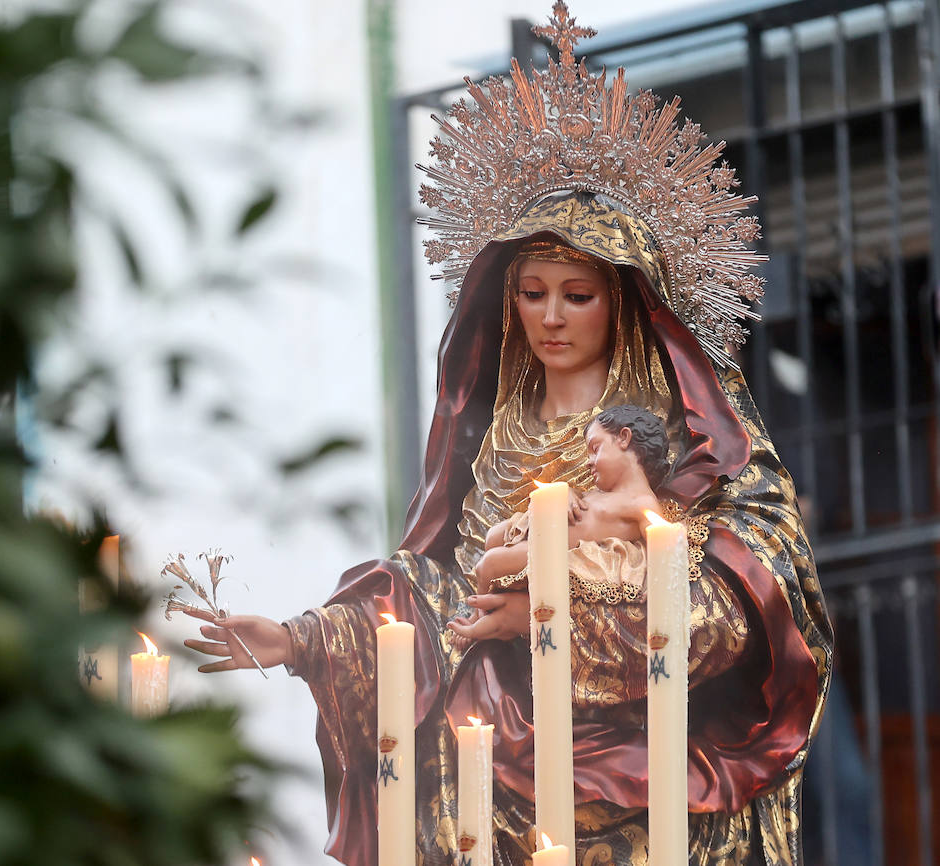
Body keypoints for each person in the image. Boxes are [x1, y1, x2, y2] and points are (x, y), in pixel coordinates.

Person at [180, 6, 831, 865]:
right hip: (490, 772)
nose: (551, 317)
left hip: (643, 781)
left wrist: (554, 617)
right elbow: (429, 589)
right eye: (531, 293)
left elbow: (743, 600)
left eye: (577, 293)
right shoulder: (487, 435)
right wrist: (303, 640)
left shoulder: (690, 433)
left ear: (623, 300)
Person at [454, 403, 668, 616]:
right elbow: (577, 502)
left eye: (595, 449)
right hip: (541, 535)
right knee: (493, 536)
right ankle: (497, 603)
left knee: (489, 565)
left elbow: (661, 549)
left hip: (556, 554)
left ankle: (477, 617)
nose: (588, 463)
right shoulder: (601, 492)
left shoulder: (642, 503)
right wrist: (566, 493)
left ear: (624, 438)